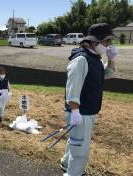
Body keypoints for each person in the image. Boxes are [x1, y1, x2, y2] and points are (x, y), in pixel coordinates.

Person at [61, 23, 118, 176]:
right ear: (94, 42)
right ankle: (74, 173)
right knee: (80, 148)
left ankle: (67, 164)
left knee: (76, 141)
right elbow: (72, 88)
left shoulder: (95, 58)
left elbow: (106, 74)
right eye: (106, 42)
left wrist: (111, 59)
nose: (108, 46)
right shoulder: (81, 60)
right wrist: (74, 111)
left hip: (86, 111)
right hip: (80, 111)